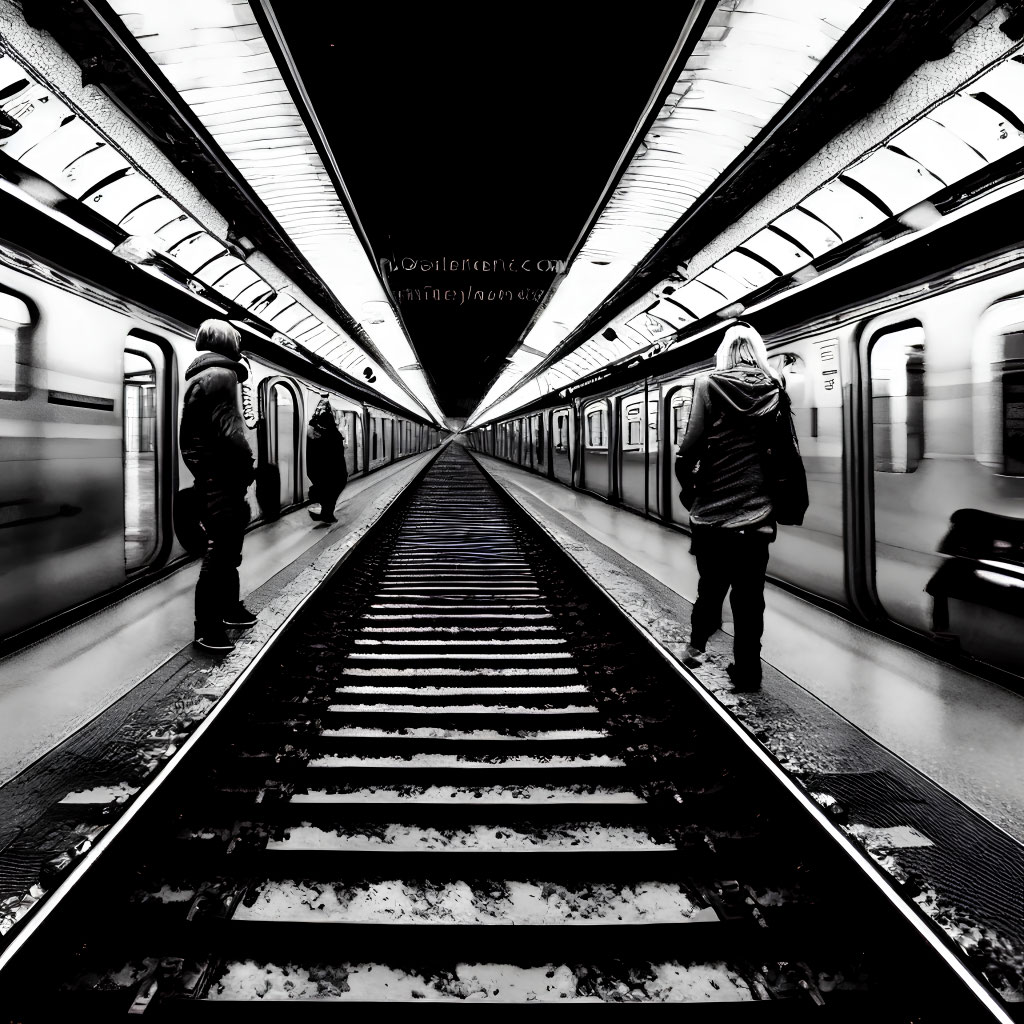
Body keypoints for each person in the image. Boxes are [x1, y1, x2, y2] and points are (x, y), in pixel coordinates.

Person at [675, 322, 784, 691]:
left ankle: (694, 648)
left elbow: (689, 445)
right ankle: (749, 673)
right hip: (758, 515)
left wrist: (689, 482)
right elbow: (784, 451)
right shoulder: (774, 388)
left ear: (724, 352)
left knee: (711, 587)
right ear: (758, 352)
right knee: (750, 599)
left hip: (713, 514)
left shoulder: (708, 384)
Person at [179, 319, 257, 653]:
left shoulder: (202, 377)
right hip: (223, 476)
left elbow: (192, 439)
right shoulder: (222, 377)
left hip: (212, 475)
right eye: (237, 338)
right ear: (226, 340)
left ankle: (229, 610)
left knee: (226, 547)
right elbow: (231, 432)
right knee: (221, 551)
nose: (240, 343)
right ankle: (207, 627)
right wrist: (247, 462)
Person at [306, 395, 347, 524]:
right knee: (332, 491)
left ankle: (324, 512)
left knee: (324, 490)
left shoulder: (314, 434)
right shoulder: (334, 435)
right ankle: (327, 513)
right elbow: (339, 454)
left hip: (318, 469)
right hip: (334, 470)